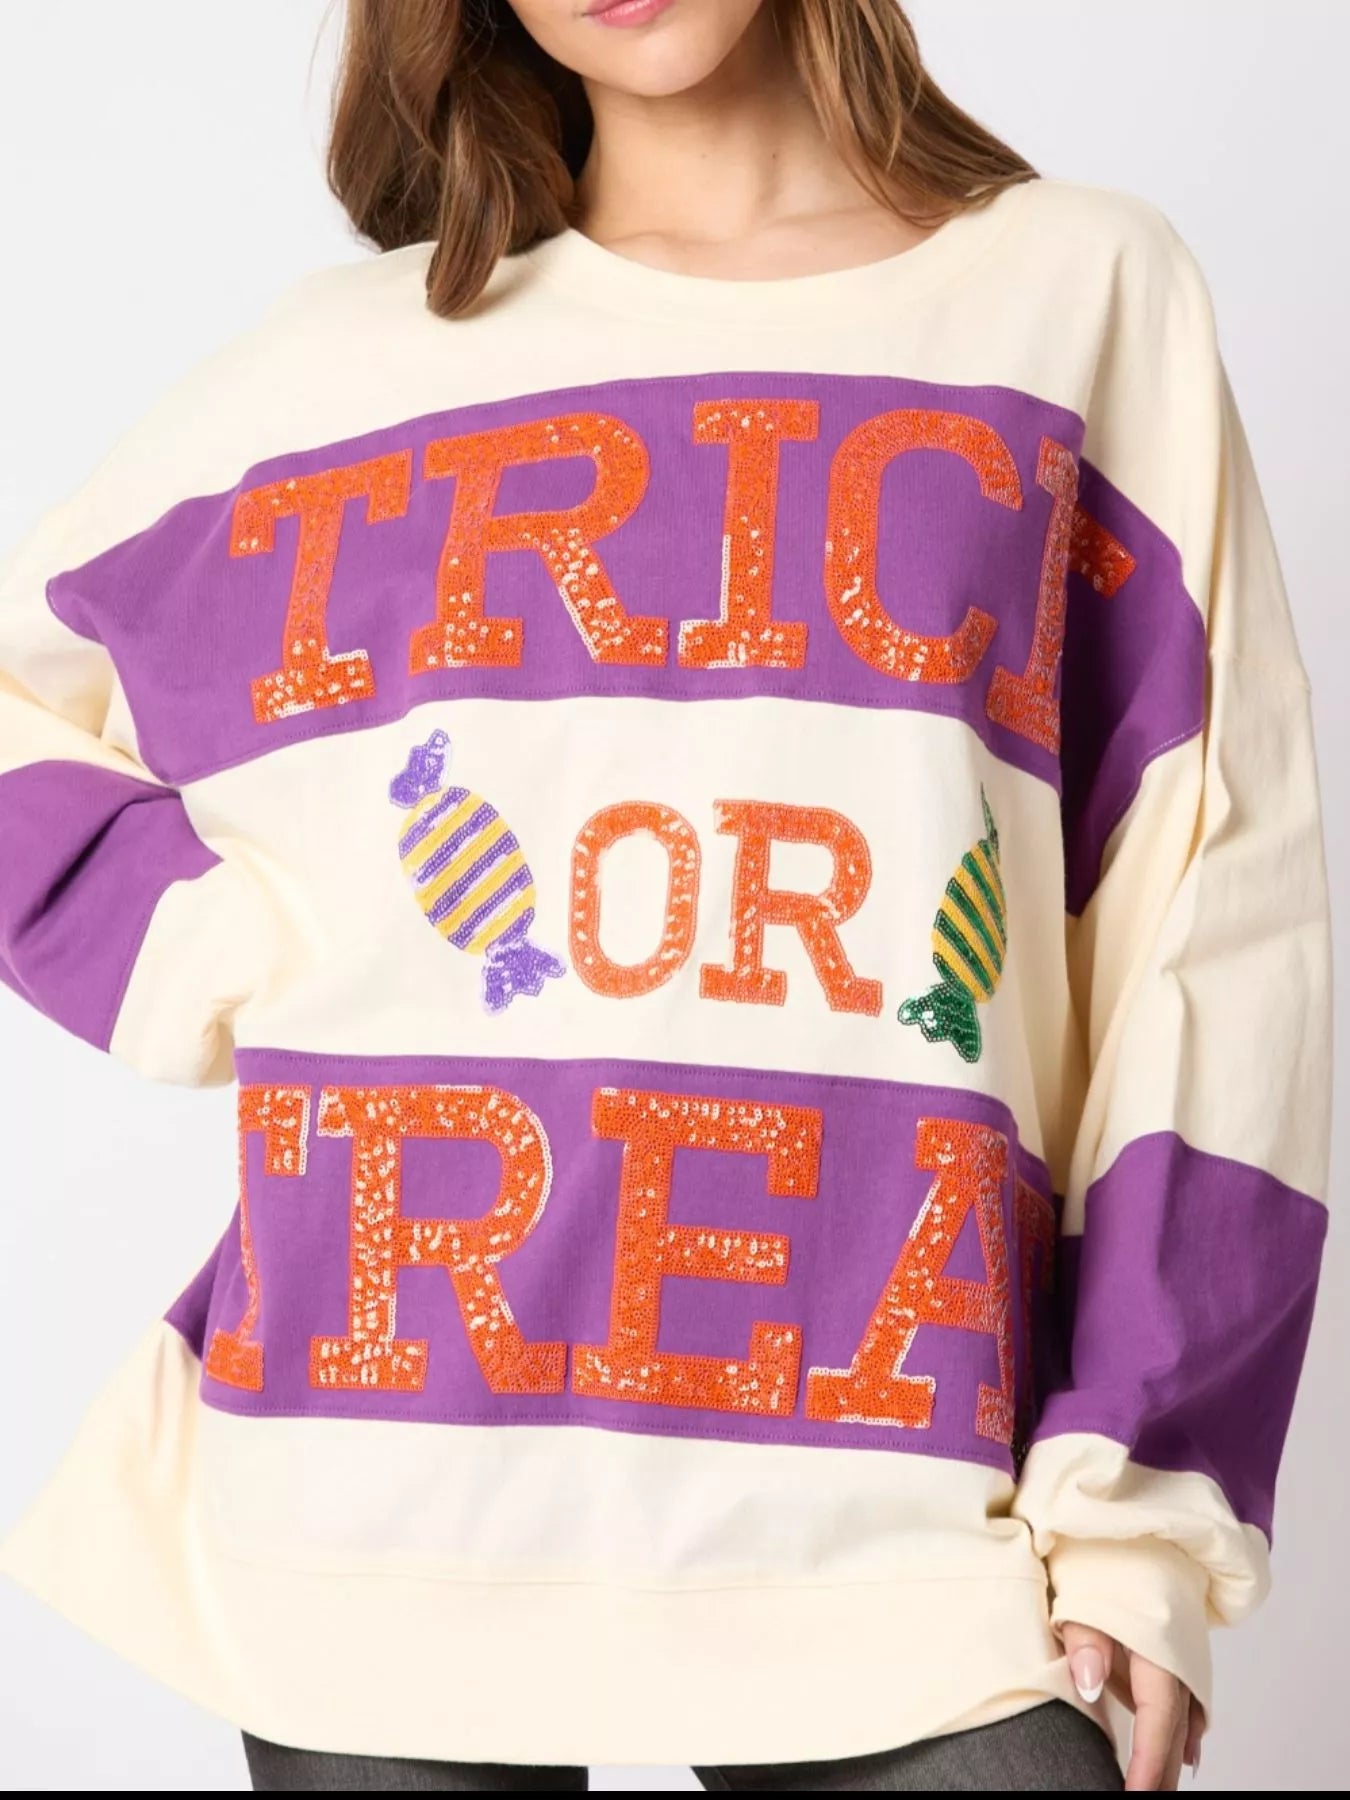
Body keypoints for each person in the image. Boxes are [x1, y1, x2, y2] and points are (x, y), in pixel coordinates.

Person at [0, 0, 1330, 1793]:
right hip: (380, 1502)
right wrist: (242, 952)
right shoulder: (351, 363)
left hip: (894, 1514)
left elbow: (1214, 921)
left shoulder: (1071, 292)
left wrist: (1142, 1505)